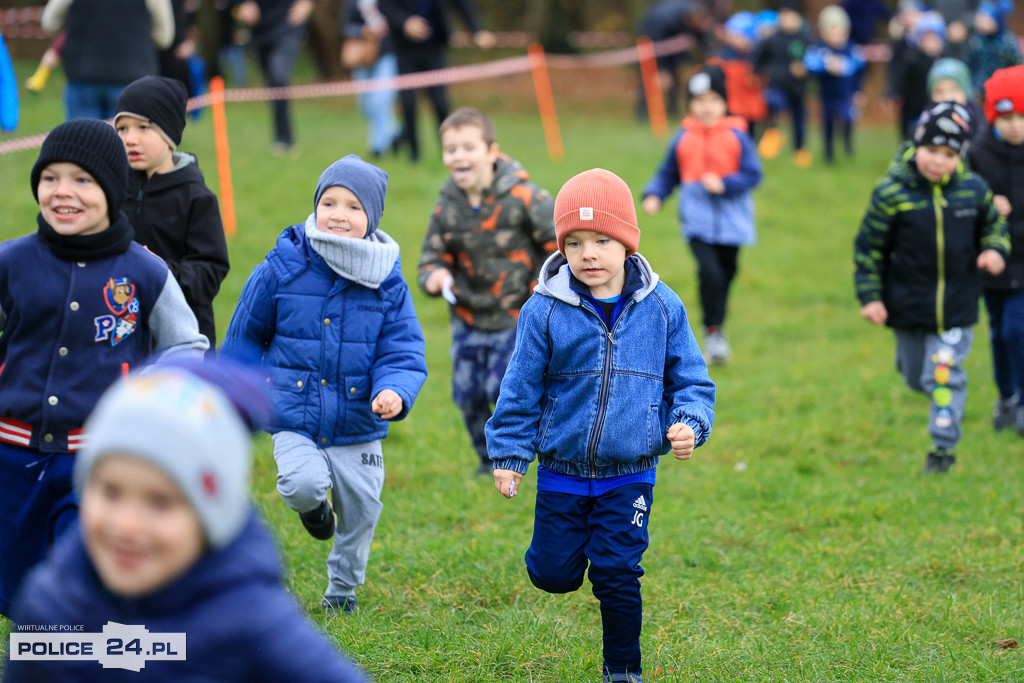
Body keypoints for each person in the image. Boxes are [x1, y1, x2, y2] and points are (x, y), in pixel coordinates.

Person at [485, 168, 716, 683]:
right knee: (553, 574)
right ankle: (565, 551)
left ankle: (622, 670)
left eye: (602, 241)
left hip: (630, 470)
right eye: (575, 242)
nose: (589, 254)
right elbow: (519, 389)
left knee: (616, 572)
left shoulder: (661, 307)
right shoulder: (544, 310)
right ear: (561, 247)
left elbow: (693, 380)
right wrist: (509, 455)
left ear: (628, 243)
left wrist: (689, 423)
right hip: (562, 468)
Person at [3, 359, 369, 682]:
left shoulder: (249, 621)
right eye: (111, 492)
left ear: (212, 515)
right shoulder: (52, 606)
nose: (127, 525)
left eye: (161, 503)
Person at [0, 119, 209, 616]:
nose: (62, 192)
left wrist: (153, 399)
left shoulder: (144, 271)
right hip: (9, 456)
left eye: (82, 180)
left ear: (112, 191)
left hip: (98, 461)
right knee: (19, 585)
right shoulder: (11, 262)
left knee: (79, 581)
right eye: (50, 178)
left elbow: (186, 344)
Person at [223, 155, 427, 615]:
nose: (339, 214)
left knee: (361, 512)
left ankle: (342, 590)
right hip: (292, 412)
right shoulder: (282, 267)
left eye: (353, 207)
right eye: (329, 202)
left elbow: (404, 350)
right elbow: (244, 335)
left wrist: (394, 389)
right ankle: (315, 511)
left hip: (359, 419)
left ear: (371, 218)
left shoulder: (386, 280)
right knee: (300, 483)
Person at [854, 101, 1010, 475]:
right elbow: (870, 248)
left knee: (942, 373)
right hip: (907, 306)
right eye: (931, 151)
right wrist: (871, 297)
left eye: (948, 154)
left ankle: (943, 449)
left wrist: (993, 249)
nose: (938, 161)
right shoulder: (893, 193)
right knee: (914, 375)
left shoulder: (972, 190)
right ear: (915, 146)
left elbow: (993, 225)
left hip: (957, 306)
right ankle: (945, 396)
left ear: (960, 155)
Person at [417, 107, 556, 475]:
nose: (458, 156)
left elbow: (559, 246)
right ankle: (487, 457)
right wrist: (434, 275)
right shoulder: (445, 207)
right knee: (467, 395)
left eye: (468, 147)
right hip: (467, 317)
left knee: (502, 389)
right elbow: (431, 255)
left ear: (492, 152)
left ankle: (520, 452)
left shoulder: (525, 198)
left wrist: (543, 287)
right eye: (450, 149)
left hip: (516, 316)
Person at [641, 64, 762, 365]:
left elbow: (753, 174)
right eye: (699, 101)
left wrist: (725, 183)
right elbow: (667, 172)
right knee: (710, 273)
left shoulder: (738, 135)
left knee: (726, 274)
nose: (706, 107)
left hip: (733, 221)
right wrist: (655, 194)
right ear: (690, 104)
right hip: (697, 220)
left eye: (712, 100)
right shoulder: (684, 137)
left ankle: (717, 325)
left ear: (724, 102)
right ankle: (713, 331)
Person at [115, 76, 230, 350]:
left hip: (181, 339)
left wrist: (160, 271)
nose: (130, 139)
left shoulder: (197, 197)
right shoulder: (112, 190)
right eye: (122, 128)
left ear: (169, 134)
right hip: (119, 330)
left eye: (143, 127)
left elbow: (210, 272)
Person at [967, 65, 1024, 435]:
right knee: (998, 331)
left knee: (1017, 329)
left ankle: (1021, 398)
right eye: (1007, 117)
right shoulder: (977, 154)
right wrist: (986, 208)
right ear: (992, 117)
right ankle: (1005, 395)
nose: (1016, 125)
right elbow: (963, 205)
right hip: (994, 261)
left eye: (1022, 116)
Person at [377, 0, 495, 162]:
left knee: (441, 103)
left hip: (434, 48)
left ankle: (448, 150)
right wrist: (405, 22)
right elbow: (384, 5)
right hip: (404, 49)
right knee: (408, 104)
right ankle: (414, 155)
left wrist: (477, 30)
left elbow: (461, 5)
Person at [40, 0, 175, 121]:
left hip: (84, 75)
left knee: (84, 143)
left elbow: (50, 23)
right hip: (132, 76)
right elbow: (164, 38)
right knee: (125, 144)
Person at [232, 0, 316, 155]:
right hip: (259, 29)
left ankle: (284, 139)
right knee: (272, 85)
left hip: (288, 25)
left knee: (279, 75)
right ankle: (281, 138)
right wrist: (241, 4)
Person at [752, 0, 812, 164]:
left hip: (797, 88)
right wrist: (755, 73)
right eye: (784, 16)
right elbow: (758, 56)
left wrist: (805, 68)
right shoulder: (772, 39)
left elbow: (815, 60)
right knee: (774, 105)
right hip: (777, 84)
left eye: (791, 16)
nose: (787, 20)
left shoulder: (805, 39)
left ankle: (799, 150)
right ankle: (773, 136)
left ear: (799, 18)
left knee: (799, 120)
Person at [803, 4, 865, 163]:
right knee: (827, 123)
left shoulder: (851, 48)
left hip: (846, 93)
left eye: (840, 31)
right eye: (832, 31)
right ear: (823, 32)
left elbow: (859, 68)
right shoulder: (818, 48)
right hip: (826, 94)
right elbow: (809, 64)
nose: (836, 35)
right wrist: (826, 65)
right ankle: (828, 154)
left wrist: (857, 89)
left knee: (847, 118)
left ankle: (847, 143)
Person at [634, 0, 713, 121]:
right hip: (652, 45)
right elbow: (654, 45)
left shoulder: (696, 16)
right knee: (649, 83)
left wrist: (707, 62)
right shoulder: (663, 18)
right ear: (690, 18)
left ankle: (672, 112)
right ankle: (642, 116)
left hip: (671, 51)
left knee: (674, 82)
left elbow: (701, 40)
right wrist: (660, 70)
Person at [343, 0, 402, 158]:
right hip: (363, 59)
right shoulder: (351, 3)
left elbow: (399, 21)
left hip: (385, 56)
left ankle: (376, 145)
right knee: (366, 105)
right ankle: (394, 132)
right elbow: (346, 26)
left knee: (380, 101)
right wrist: (362, 31)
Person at [891, 11, 948, 139]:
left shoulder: (946, 61)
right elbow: (901, 79)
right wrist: (895, 93)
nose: (931, 43)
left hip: (936, 109)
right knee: (911, 138)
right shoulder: (911, 58)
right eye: (927, 38)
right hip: (913, 110)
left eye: (934, 38)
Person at [966, 0, 1022, 97]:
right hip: (979, 91)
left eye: (986, 18)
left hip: (1003, 90)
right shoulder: (977, 41)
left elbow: (1016, 66)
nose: (980, 22)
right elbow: (970, 66)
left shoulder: (1008, 42)